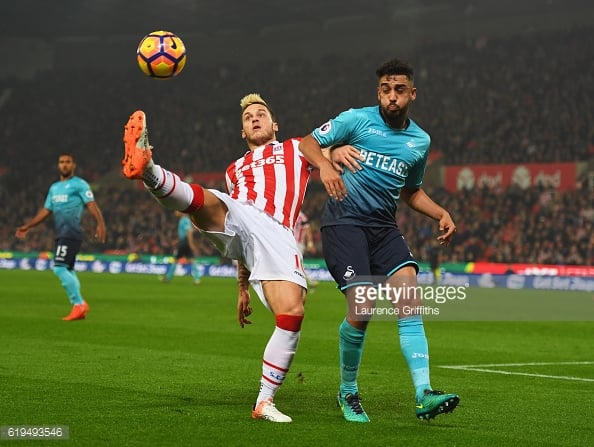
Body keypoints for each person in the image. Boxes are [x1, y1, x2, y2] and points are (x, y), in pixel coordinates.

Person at [121, 94, 312, 423]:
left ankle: (264, 403)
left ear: (274, 124)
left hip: (278, 232)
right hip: (240, 214)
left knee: (292, 314)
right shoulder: (234, 170)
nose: (254, 118)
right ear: (242, 132)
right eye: (248, 117)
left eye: (261, 114)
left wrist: (244, 286)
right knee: (203, 201)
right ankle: (148, 167)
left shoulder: (296, 148)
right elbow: (240, 232)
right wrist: (241, 285)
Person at [298, 58, 460, 422]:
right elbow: (307, 142)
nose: (391, 97)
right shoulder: (356, 119)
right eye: (386, 90)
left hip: (384, 228)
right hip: (344, 223)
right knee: (364, 306)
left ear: (412, 94)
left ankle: (423, 393)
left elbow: (411, 191)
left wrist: (441, 213)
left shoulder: (419, 141)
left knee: (409, 299)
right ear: (378, 92)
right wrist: (325, 162)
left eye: (399, 90)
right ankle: (348, 391)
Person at [15, 153, 106, 321]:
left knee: (59, 267)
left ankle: (78, 304)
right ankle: (79, 307)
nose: (64, 165)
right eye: (61, 162)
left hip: (71, 233)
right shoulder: (54, 188)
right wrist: (29, 225)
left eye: (68, 162)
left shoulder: (79, 184)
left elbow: (91, 204)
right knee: (68, 269)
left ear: (74, 165)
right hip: (61, 233)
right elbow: (46, 211)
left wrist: (100, 223)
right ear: (58, 165)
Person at [159, 210, 202, 284]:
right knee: (191, 260)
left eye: (177, 211)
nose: (175, 212)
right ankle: (197, 279)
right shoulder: (183, 220)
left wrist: (191, 244)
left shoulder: (185, 220)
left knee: (176, 259)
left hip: (185, 243)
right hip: (184, 242)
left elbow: (189, 232)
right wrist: (177, 240)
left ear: (182, 212)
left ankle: (168, 278)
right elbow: (184, 233)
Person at [293, 210, 319, 291]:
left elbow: (307, 229)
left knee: (296, 264)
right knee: (297, 264)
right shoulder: (293, 214)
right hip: (293, 243)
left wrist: (310, 243)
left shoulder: (301, 216)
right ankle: (309, 280)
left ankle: (308, 280)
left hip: (298, 243)